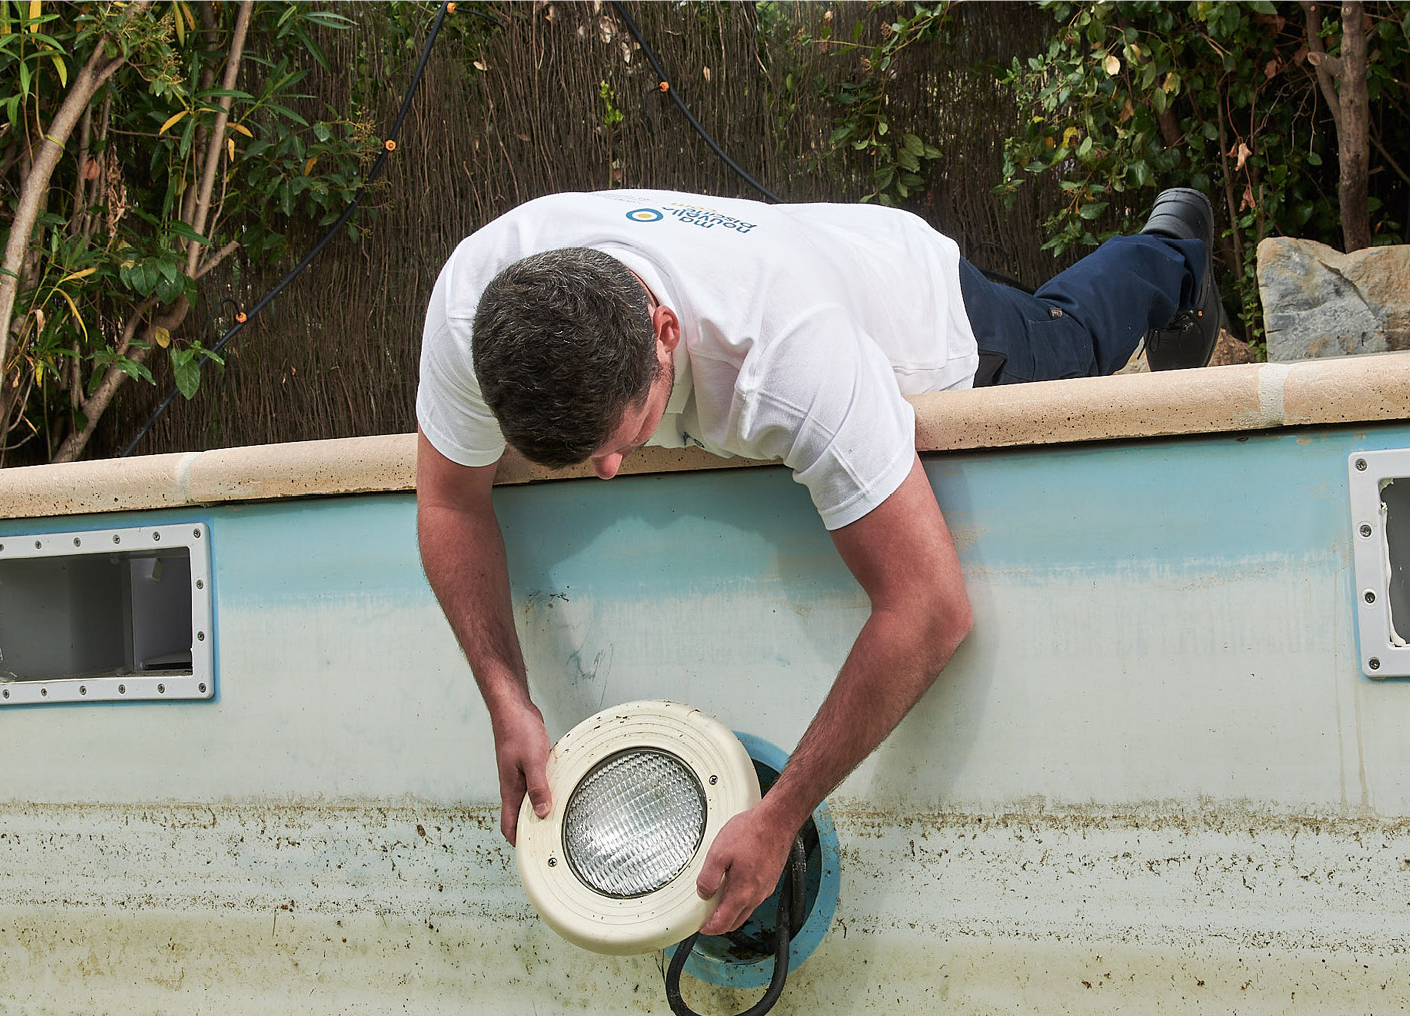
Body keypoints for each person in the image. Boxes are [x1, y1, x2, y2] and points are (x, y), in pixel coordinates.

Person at [415, 187, 1218, 936]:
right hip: (820, 251)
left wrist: (779, 816)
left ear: (664, 331)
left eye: (625, 436)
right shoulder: (474, 302)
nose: (612, 473)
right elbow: (451, 502)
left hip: (923, 315)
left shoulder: (788, 357)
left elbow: (931, 608)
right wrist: (506, 698)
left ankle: (1172, 252)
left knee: (1066, 335)